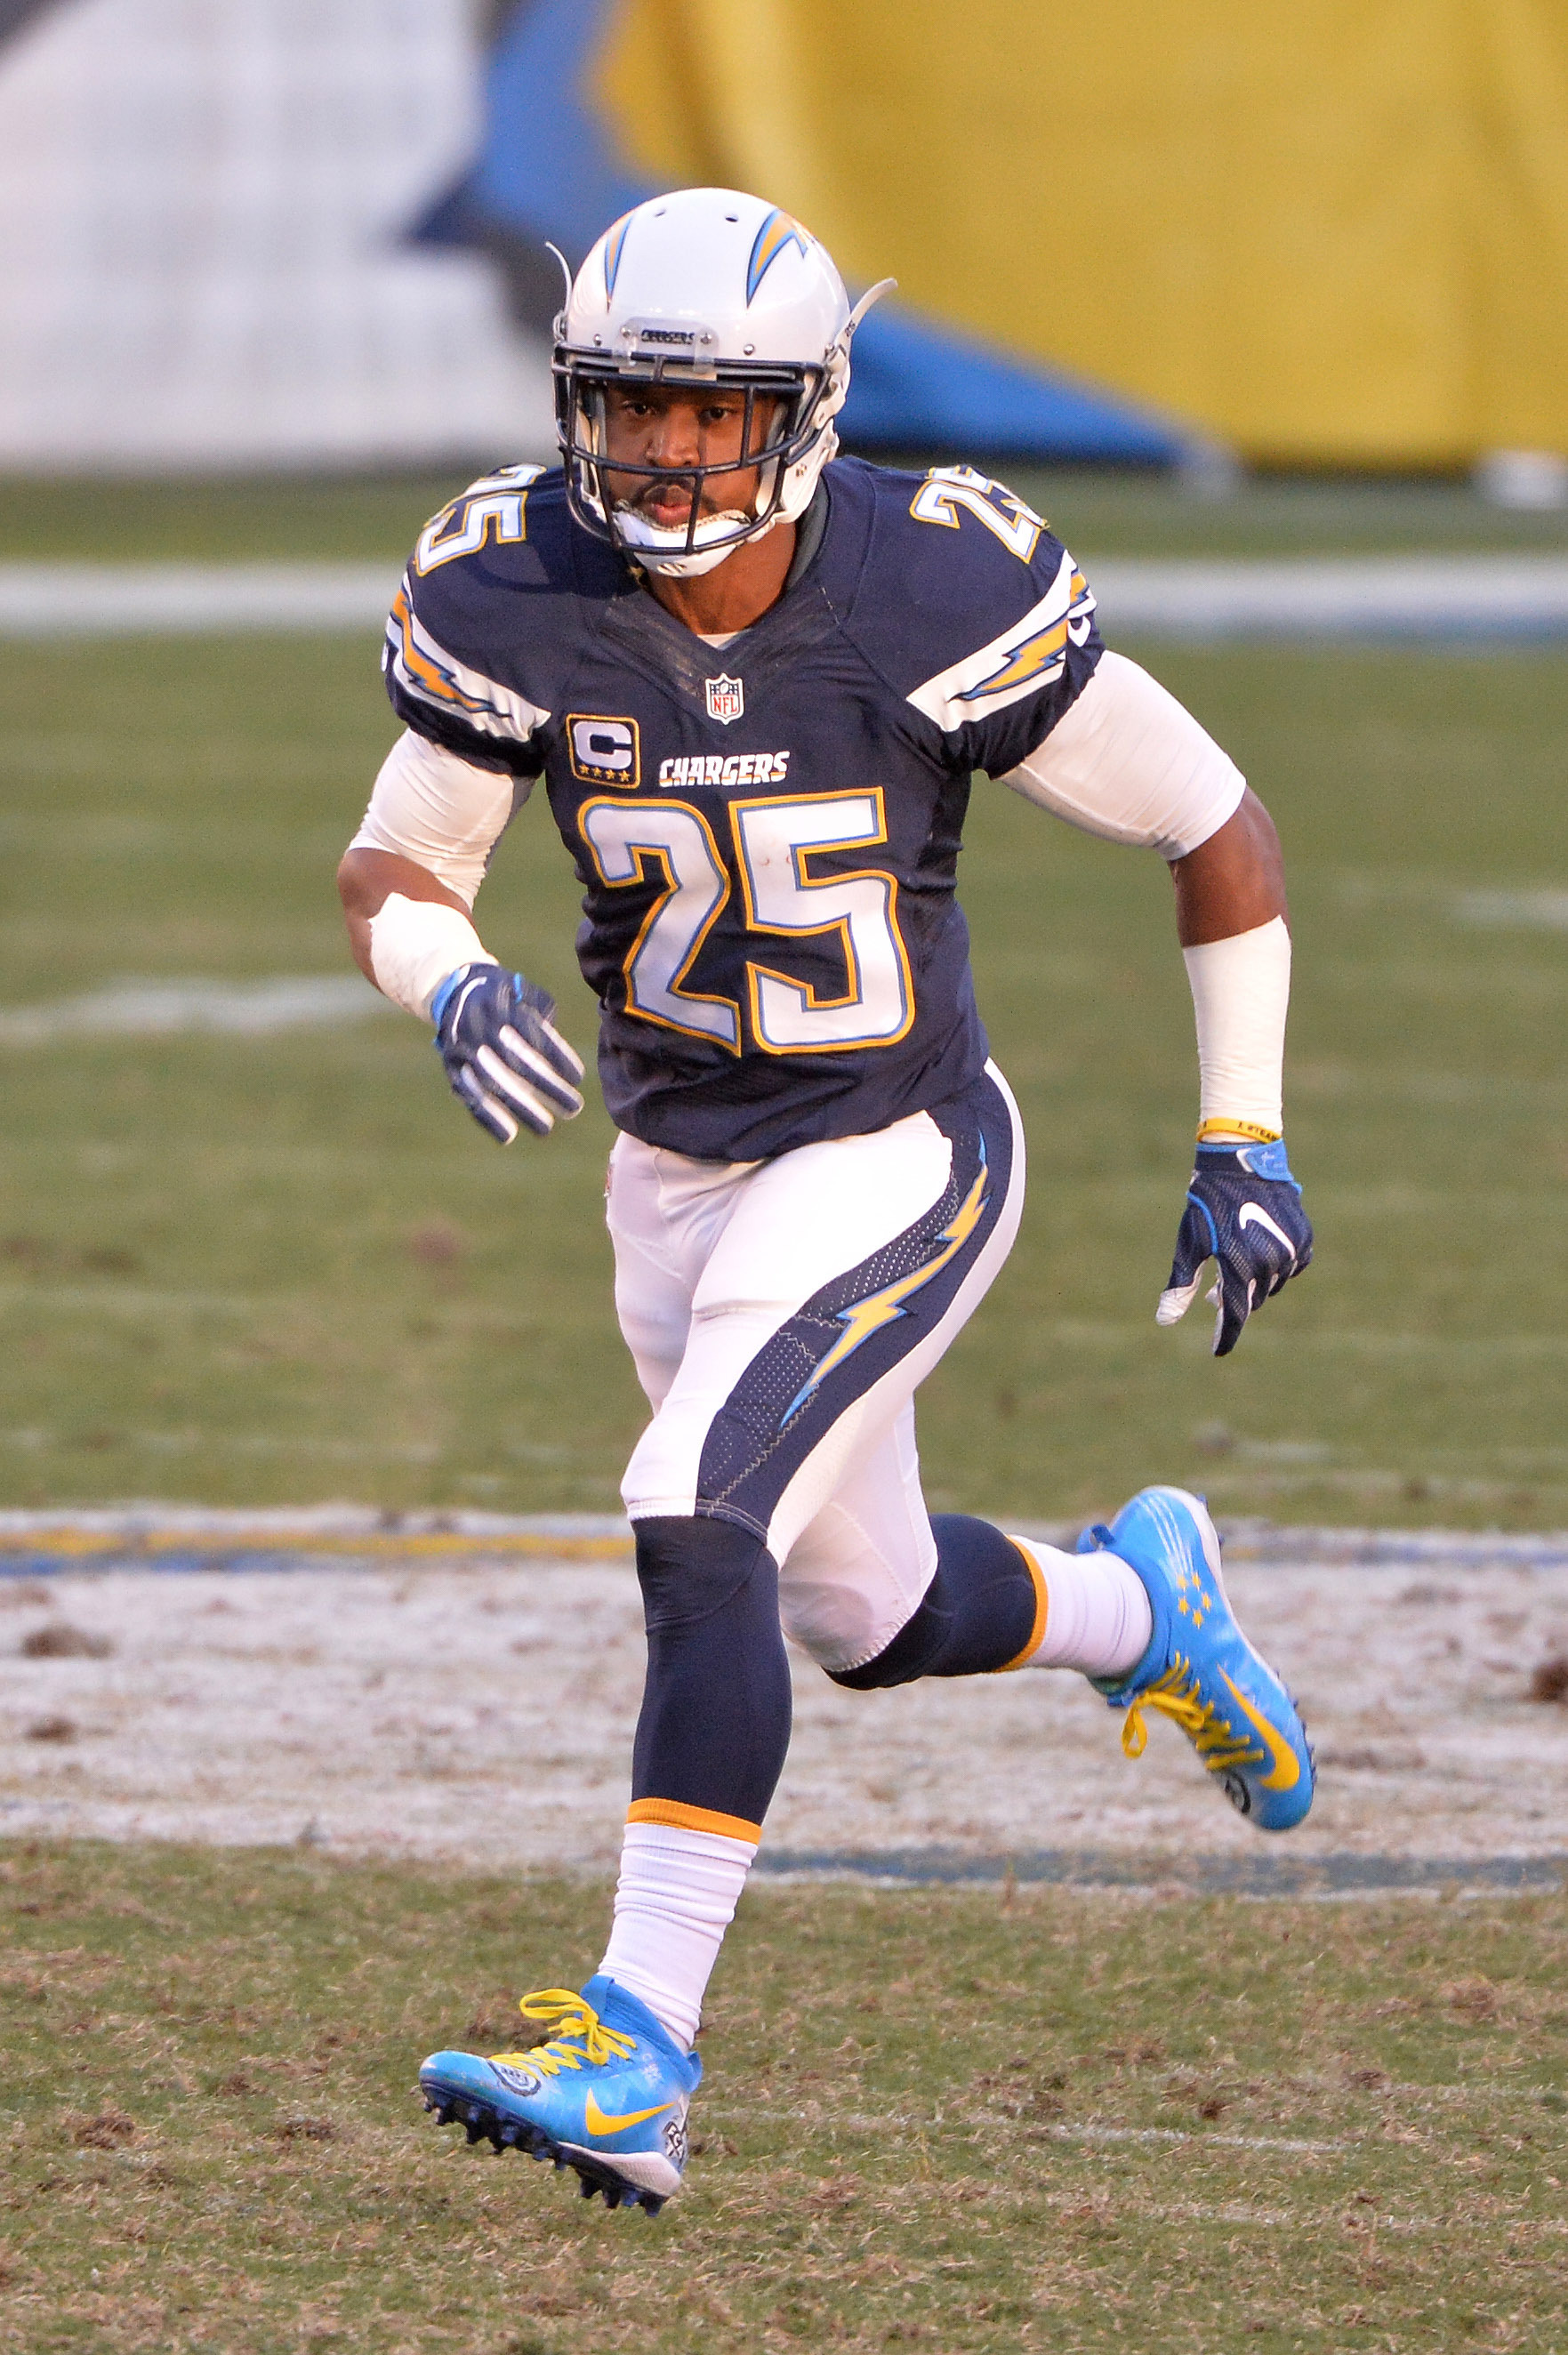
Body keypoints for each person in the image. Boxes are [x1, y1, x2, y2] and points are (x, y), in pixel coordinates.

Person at [337, 188, 1315, 2216]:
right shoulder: (514, 582)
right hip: (677, 1171)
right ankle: (1144, 1604)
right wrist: (452, 979)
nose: (669, 453)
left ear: (805, 412)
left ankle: (639, 2044)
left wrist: (1245, 1135)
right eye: (635, 406)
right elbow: (398, 866)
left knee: (696, 1507)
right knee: (860, 1614)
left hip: (894, 1148)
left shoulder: (931, 580)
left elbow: (1217, 827)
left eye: (714, 413)